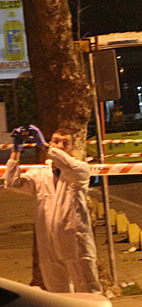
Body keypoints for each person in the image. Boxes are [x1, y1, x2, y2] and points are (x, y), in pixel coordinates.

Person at [4, 125, 102, 294]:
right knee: (58, 294)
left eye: (65, 143)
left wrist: (44, 146)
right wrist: (16, 151)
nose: (59, 146)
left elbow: (68, 164)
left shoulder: (80, 170)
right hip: (48, 243)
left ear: (72, 148)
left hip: (75, 243)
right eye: (56, 141)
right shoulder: (40, 174)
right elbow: (12, 183)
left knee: (88, 289)